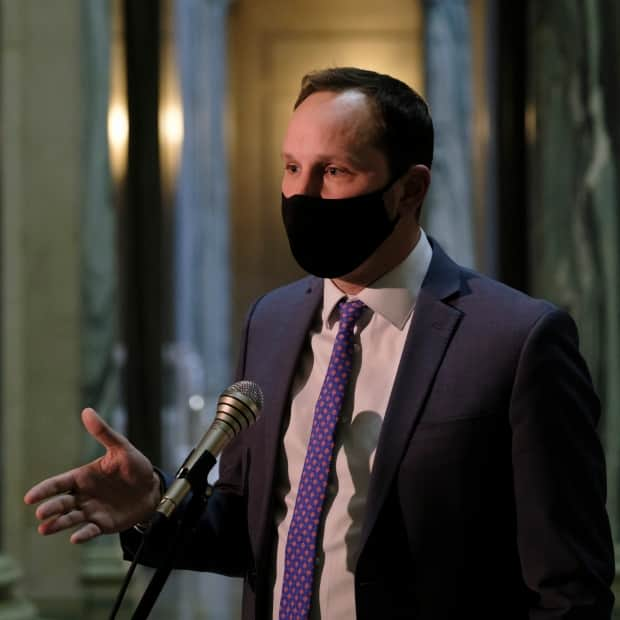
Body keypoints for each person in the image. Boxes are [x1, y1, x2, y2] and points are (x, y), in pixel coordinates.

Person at [25, 67, 615, 619]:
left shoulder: (517, 340)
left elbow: (569, 586)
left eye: (333, 172)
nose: (301, 194)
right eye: (290, 168)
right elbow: (251, 530)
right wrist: (156, 502)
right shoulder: (273, 320)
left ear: (409, 190)